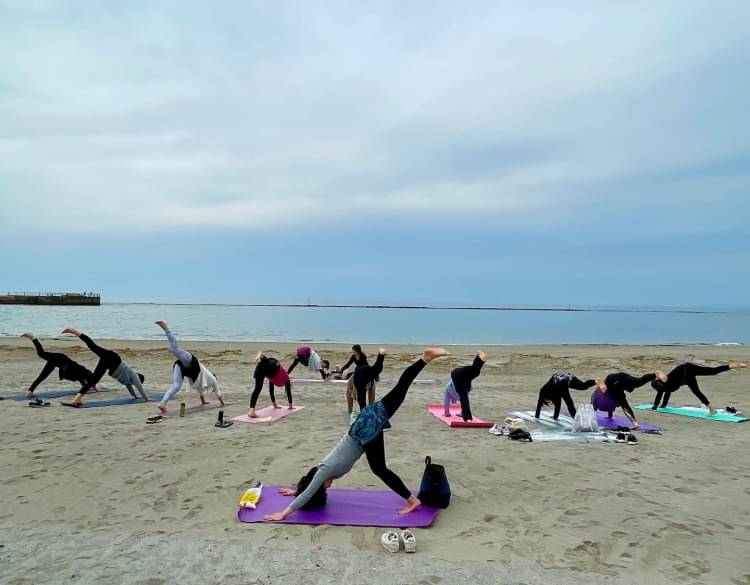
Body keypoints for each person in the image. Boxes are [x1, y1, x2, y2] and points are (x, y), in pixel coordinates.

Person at [263, 347, 449, 522]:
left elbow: (308, 492)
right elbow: (308, 485)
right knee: (400, 391)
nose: (328, 488)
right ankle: (425, 358)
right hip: (363, 428)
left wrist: (283, 513)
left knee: (380, 468)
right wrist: (295, 489)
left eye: (324, 490)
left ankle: (411, 500)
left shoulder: (325, 471)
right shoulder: (323, 471)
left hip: (365, 431)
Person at [62, 327, 148, 405]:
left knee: (93, 380)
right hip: (112, 358)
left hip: (109, 364)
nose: (134, 384)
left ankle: (77, 399)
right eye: (137, 382)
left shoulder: (128, 381)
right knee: (92, 346)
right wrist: (146, 399)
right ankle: (74, 331)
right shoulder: (134, 375)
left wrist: (135, 396)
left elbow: (129, 387)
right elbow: (139, 386)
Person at [155, 321, 224, 414]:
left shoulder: (201, 382)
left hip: (182, 367)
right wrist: (222, 404)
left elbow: (201, 392)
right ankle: (166, 328)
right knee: (175, 349)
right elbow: (218, 393)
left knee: (176, 386)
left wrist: (203, 401)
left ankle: (162, 404)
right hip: (192, 363)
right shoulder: (212, 379)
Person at [651, 362, 747, 414]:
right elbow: (665, 394)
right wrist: (662, 406)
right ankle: (732, 365)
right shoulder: (666, 388)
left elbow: (660, 394)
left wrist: (655, 407)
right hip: (687, 367)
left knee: (697, 391)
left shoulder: (664, 384)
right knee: (712, 371)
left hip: (685, 372)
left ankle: (712, 409)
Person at [21, 333, 96, 398]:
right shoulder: (83, 372)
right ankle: (33, 338)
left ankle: (30, 392)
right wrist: (90, 386)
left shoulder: (82, 375)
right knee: (41, 354)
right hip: (60, 359)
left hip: (58, 363)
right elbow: (83, 379)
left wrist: (89, 386)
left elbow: (83, 382)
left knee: (43, 376)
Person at [595, 370, 667, 429]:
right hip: (622, 376)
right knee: (639, 381)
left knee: (621, 402)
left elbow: (610, 405)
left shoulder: (610, 394)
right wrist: (610, 416)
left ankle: (635, 423)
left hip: (613, 382)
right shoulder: (615, 393)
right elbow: (611, 407)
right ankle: (655, 374)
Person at [444, 352, 487, 421]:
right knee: (474, 371)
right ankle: (479, 356)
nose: (453, 401)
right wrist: (460, 413)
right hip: (460, 376)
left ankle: (480, 357)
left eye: (453, 401)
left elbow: (446, 402)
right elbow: (463, 403)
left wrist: (446, 414)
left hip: (457, 375)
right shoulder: (458, 391)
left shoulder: (448, 389)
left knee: (474, 371)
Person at [248, 351, 293, 417]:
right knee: (269, 364)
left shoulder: (283, 376)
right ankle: (262, 357)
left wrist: (275, 405)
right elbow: (288, 391)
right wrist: (290, 406)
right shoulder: (286, 379)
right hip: (272, 369)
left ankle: (251, 411)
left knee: (257, 389)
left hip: (263, 368)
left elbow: (271, 390)